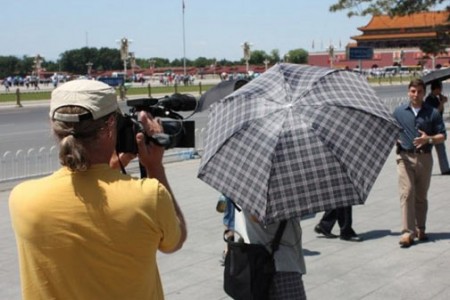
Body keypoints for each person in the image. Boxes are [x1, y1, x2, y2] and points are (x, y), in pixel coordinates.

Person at [9, 79, 187, 299]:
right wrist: (154, 167)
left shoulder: (23, 198)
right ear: (111, 125)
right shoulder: (148, 196)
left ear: (53, 125)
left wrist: (112, 166)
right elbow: (174, 241)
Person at [393, 78, 446, 248]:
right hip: (404, 158)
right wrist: (396, 140)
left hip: (424, 158)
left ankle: (420, 228)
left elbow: (442, 136)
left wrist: (428, 139)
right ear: (408, 92)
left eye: (419, 91)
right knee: (407, 192)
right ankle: (407, 232)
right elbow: (391, 130)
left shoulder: (432, 113)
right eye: (413, 91)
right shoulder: (399, 112)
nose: (416, 95)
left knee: (421, 196)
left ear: (424, 93)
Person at [243, 212, 307, 299]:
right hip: (283, 265)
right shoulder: (277, 203)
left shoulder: (247, 199)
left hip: (256, 265)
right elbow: (256, 217)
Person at [425, 80, 450, 175]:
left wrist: (442, 101)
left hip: (437, 127)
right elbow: (435, 113)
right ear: (436, 89)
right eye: (440, 89)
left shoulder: (436, 98)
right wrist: (442, 103)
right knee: (427, 150)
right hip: (431, 129)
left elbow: (441, 112)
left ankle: (445, 169)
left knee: (441, 149)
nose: (441, 91)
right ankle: (424, 169)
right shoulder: (429, 99)